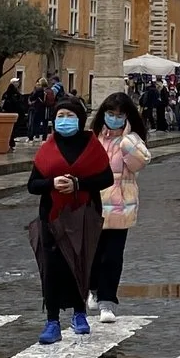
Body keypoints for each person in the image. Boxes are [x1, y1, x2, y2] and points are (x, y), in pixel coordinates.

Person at [27, 98, 112, 342]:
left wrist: (79, 184)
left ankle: (79, 314)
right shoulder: (48, 148)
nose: (65, 120)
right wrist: (51, 183)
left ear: (80, 119)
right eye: (61, 115)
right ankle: (52, 321)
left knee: (80, 262)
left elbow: (106, 178)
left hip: (83, 213)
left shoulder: (91, 146)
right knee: (52, 268)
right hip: (52, 215)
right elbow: (32, 185)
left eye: (70, 115)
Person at [91, 91, 151, 322]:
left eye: (119, 114)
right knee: (94, 254)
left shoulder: (131, 139)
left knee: (112, 257)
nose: (114, 118)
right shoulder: (94, 138)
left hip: (119, 205)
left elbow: (139, 163)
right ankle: (93, 290)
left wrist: (126, 141)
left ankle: (108, 302)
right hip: (94, 204)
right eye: (110, 113)